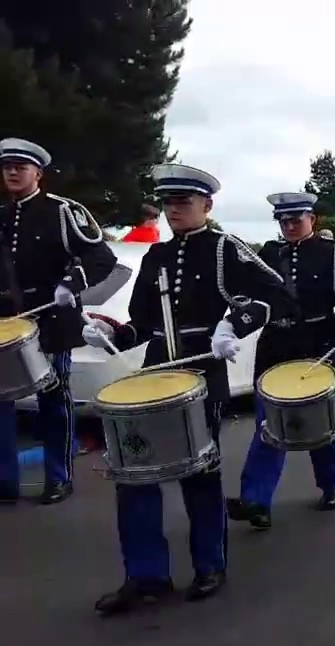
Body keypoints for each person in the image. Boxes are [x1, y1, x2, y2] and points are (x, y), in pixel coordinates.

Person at [82, 163, 292, 613]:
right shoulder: (156, 256)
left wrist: (234, 324)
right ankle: (145, 575)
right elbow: (141, 322)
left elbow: (276, 293)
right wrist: (113, 335)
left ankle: (209, 565)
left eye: (184, 202)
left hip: (202, 373)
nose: (174, 209)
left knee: (200, 474)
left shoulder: (224, 249)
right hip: (157, 374)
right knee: (134, 474)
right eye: (169, 202)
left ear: (206, 206)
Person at [226, 192, 335, 530]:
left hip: (318, 343)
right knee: (267, 425)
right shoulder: (268, 255)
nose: (289, 226)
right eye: (283, 221)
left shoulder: (333, 253)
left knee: (321, 423)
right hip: (275, 344)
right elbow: (251, 297)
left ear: (312, 219)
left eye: (295, 220)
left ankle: (331, 485)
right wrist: (231, 325)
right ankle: (256, 499)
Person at [0, 137, 117, 506]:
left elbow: (102, 256)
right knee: (1, 402)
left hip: (51, 319)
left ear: (38, 172)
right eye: (7, 167)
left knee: (53, 399)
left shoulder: (63, 212)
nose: (13, 172)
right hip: (6, 322)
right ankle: (5, 482)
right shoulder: (1, 215)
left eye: (21, 166)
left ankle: (59, 476)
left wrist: (72, 283)